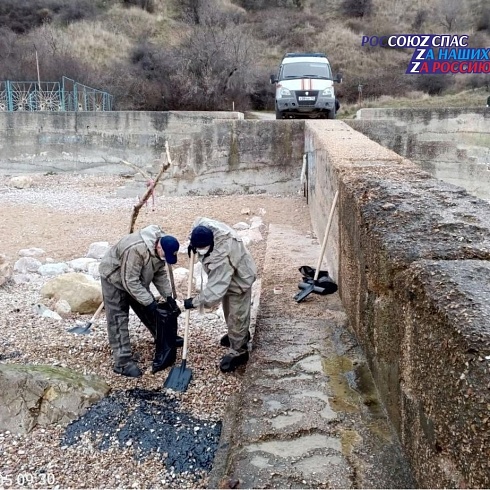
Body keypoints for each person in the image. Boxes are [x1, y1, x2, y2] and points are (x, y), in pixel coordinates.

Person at [99, 225, 181, 378]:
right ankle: (122, 362)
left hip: (135, 277)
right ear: (158, 246)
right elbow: (129, 281)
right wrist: (150, 302)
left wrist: (169, 297)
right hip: (115, 278)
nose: (164, 260)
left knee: (152, 308)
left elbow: (160, 273)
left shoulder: (161, 248)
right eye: (164, 256)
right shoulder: (136, 250)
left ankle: (163, 338)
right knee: (118, 318)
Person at [183, 217, 257, 373]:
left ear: (211, 243)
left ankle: (239, 350)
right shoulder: (203, 226)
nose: (201, 250)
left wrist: (194, 302)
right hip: (229, 278)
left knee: (237, 314)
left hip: (239, 281)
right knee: (228, 311)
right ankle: (239, 334)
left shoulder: (222, 257)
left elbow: (214, 291)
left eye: (203, 247)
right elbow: (197, 222)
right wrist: (193, 245)